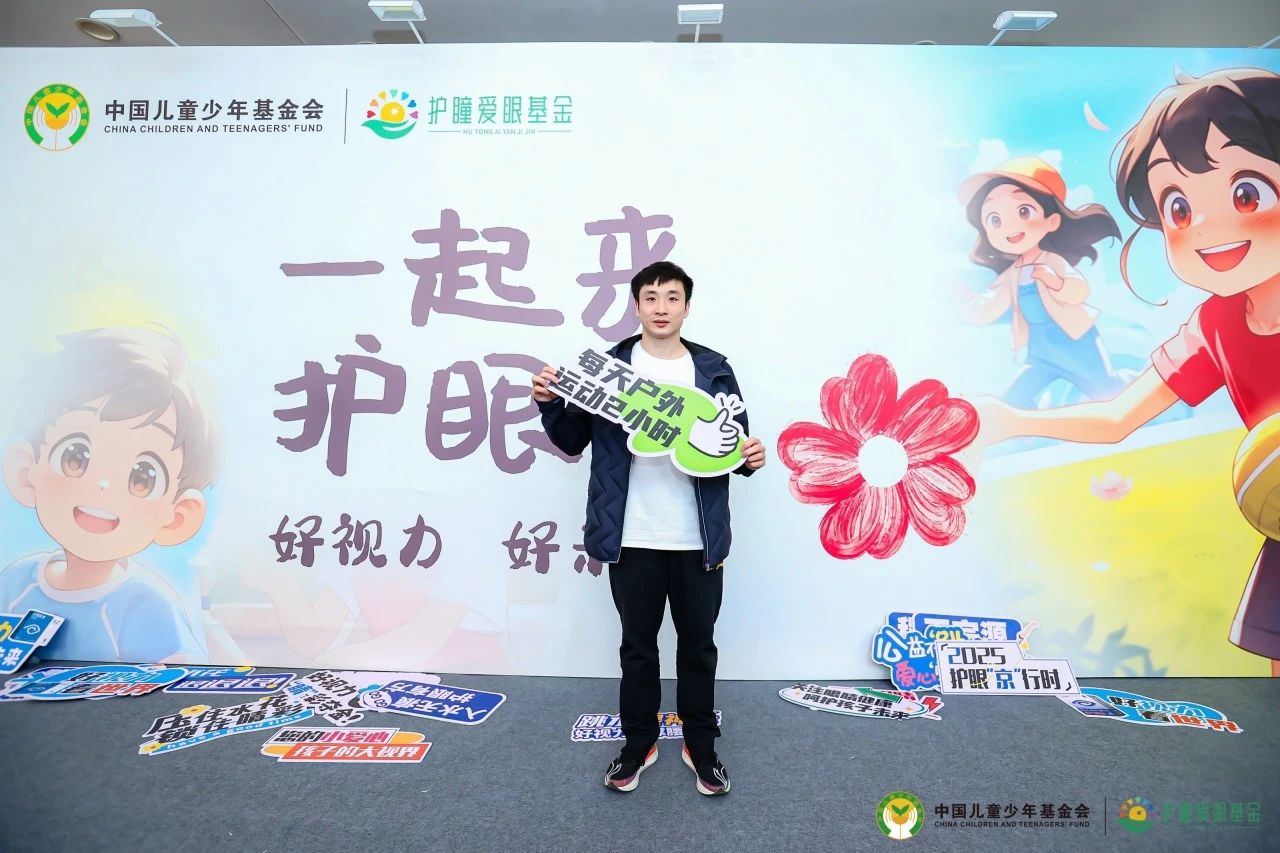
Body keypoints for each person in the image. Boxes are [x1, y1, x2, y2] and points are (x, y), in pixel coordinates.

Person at [975, 68, 1280, 674]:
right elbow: (1118, 417)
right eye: (1179, 207)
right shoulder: (1217, 324)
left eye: (1246, 194)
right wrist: (1014, 421)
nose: (1206, 227)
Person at [532, 260, 766, 795]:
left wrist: (750, 459)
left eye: (672, 297)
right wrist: (549, 405)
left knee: (698, 646)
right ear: (636, 305)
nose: (662, 308)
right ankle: (638, 743)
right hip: (631, 534)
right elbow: (572, 441)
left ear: (687, 306)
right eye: (651, 298)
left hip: (697, 537)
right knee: (637, 647)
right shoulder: (609, 370)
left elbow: (732, 447)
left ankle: (701, 746)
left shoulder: (713, 369)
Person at [1, 327, 217, 663]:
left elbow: (182, 673)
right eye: (75, 458)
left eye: (142, 478)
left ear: (177, 517)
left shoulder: (146, 603)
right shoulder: (17, 582)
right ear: (26, 472)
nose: (103, 485)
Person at [956, 156, 1126, 407]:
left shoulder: (1052, 261)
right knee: (1013, 401)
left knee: (1110, 391)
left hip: (1076, 343)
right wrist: (968, 302)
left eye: (1023, 211)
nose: (1009, 226)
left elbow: (1079, 290)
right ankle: (1027, 427)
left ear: (1052, 221)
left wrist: (1055, 282)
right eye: (995, 219)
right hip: (1041, 352)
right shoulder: (1012, 274)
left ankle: (1137, 383)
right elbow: (990, 305)